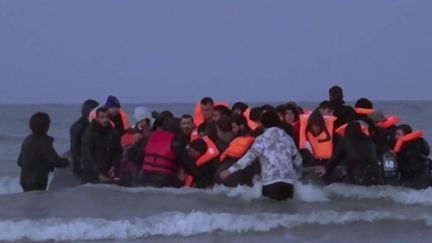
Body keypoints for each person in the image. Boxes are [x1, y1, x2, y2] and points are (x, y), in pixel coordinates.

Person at [220, 111, 302, 201]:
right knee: (286, 213)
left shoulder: (262, 139)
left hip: (271, 183)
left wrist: (230, 170)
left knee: (269, 212)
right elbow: (298, 159)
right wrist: (297, 175)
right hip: (288, 184)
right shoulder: (287, 138)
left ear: (262, 124)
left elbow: (249, 158)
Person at [140, 117, 207, 188]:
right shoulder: (176, 144)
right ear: (177, 129)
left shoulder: (148, 139)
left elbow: (137, 158)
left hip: (144, 178)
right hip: (163, 180)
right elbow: (188, 165)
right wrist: (202, 180)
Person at [316, 121, 382, 185]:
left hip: (358, 174)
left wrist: (326, 169)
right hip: (376, 173)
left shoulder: (346, 140)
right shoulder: (369, 141)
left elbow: (336, 158)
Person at [18, 112, 69, 192]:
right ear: (46, 126)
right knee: (37, 202)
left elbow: (20, 162)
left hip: (25, 181)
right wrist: (69, 161)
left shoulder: (27, 140)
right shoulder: (44, 141)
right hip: (36, 182)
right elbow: (56, 161)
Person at [81, 107, 123, 184]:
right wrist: (98, 173)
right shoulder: (90, 133)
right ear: (97, 118)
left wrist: (113, 166)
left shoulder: (114, 133)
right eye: (102, 117)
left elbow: (118, 152)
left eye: (107, 117)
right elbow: (87, 155)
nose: (105, 120)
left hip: (108, 172)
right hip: (92, 174)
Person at [215, 114, 258, 187]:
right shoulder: (255, 138)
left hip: (232, 174)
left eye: (234, 127)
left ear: (241, 126)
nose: (233, 130)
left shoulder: (240, 140)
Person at [394, 124, 430, 189]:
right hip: (406, 172)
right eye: (396, 134)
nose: (396, 137)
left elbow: (426, 152)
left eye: (398, 134)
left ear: (406, 134)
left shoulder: (418, 142)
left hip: (419, 172)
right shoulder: (399, 145)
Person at [70, 99, 99, 176]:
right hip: (83, 161)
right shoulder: (78, 127)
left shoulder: (95, 124)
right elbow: (75, 150)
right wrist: (78, 168)